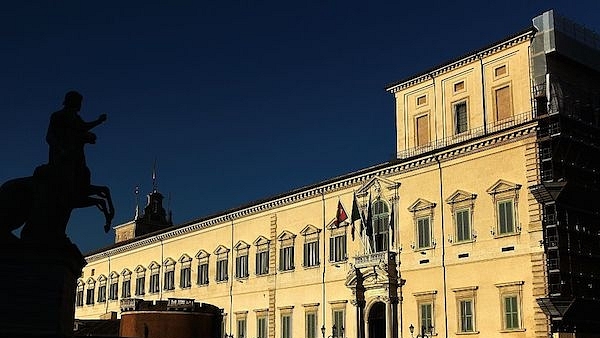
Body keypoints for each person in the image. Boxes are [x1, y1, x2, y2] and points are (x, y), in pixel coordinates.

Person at [46, 91, 107, 204]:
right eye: (79, 102)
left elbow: (84, 127)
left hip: (74, 155)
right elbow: (50, 136)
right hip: (61, 155)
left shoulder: (76, 118)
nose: (80, 105)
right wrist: (60, 149)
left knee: (83, 172)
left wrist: (99, 121)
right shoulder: (58, 116)